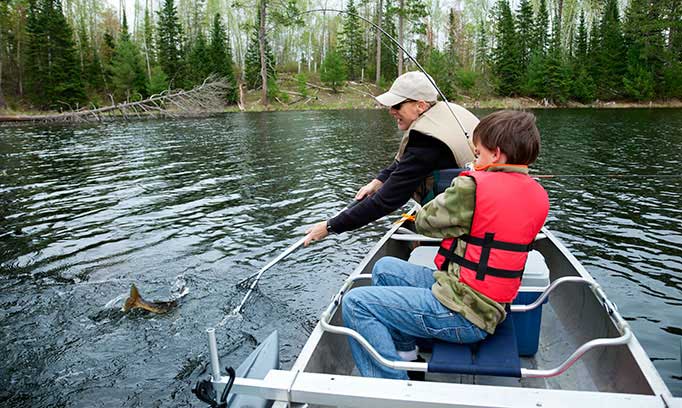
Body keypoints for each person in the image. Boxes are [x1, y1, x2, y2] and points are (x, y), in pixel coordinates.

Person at [341, 110, 550, 379]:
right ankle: (406, 355)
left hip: (462, 314)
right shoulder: (538, 195)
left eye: (477, 154)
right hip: (482, 302)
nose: (474, 160)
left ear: (495, 154)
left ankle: (391, 388)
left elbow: (425, 222)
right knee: (384, 268)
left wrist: (462, 182)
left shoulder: (472, 187)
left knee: (356, 302)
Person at [303, 71, 479, 246]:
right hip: (473, 209)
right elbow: (405, 163)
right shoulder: (448, 112)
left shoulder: (427, 142)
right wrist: (378, 181)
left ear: (421, 105)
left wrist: (330, 226)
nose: (391, 111)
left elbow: (385, 201)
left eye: (397, 105)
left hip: (462, 224)